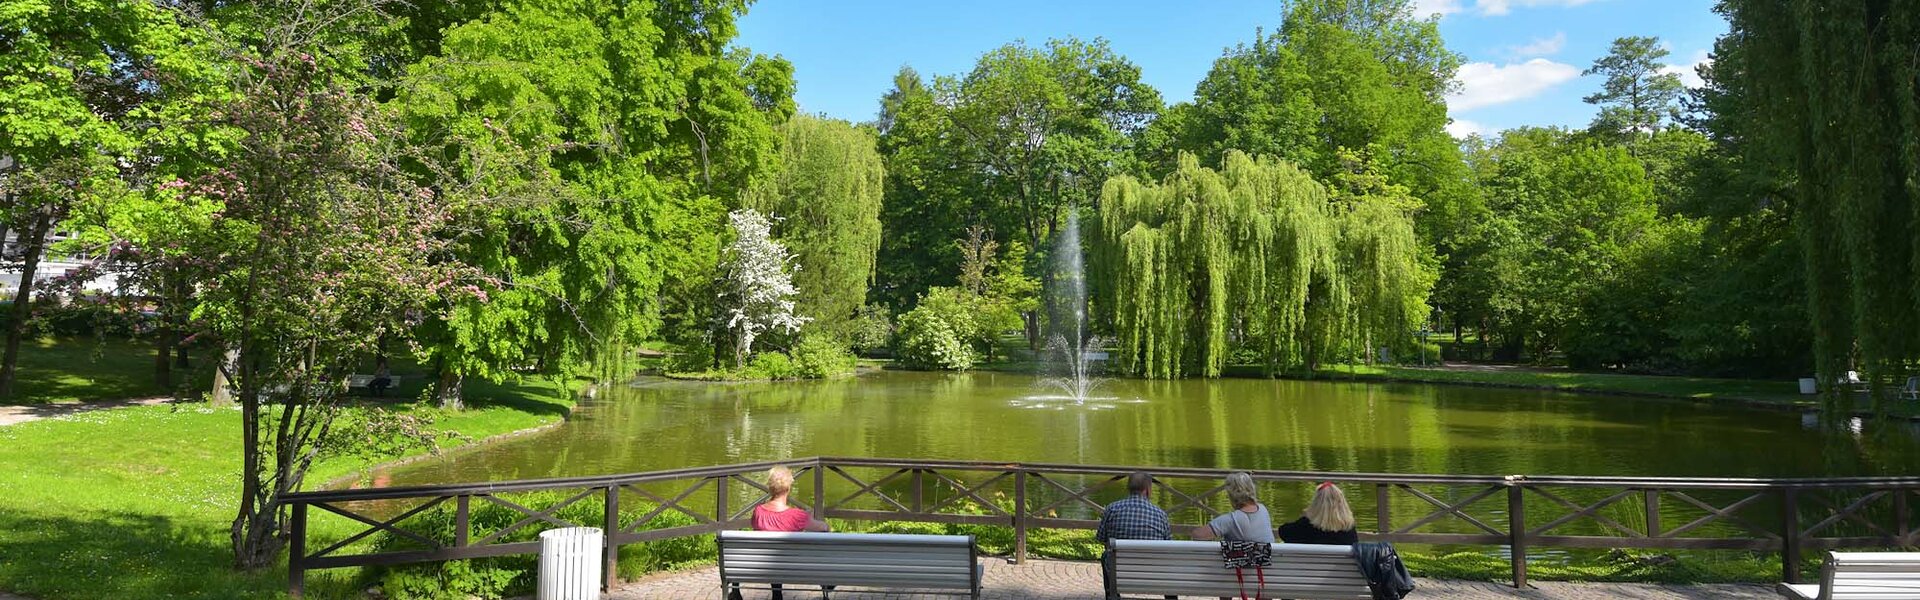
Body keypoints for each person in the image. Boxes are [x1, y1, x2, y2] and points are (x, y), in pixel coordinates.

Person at [729, 466, 829, 600]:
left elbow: (757, 528)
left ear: (770, 488)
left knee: (772, 551)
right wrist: (808, 519)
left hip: (763, 566)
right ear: (788, 488)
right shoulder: (797, 516)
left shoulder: (758, 512)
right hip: (794, 569)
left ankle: (775, 593)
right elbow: (824, 528)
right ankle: (826, 587)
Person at [1096, 471, 1175, 600]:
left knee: (1106, 556)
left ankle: (1112, 595)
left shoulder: (1112, 509)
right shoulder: (1160, 514)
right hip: (1155, 573)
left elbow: (1101, 538)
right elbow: (1169, 546)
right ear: (1148, 490)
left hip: (1119, 572)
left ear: (1128, 488)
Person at [1191, 471, 1274, 543]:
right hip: (1266, 560)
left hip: (1239, 561)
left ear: (1232, 495)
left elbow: (1197, 535)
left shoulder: (1230, 520)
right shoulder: (1263, 510)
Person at [1278, 482, 1360, 545]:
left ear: (1316, 503)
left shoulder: (1305, 525)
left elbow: (1283, 532)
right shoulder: (1348, 528)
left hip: (1306, 567)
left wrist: (1306, 516)